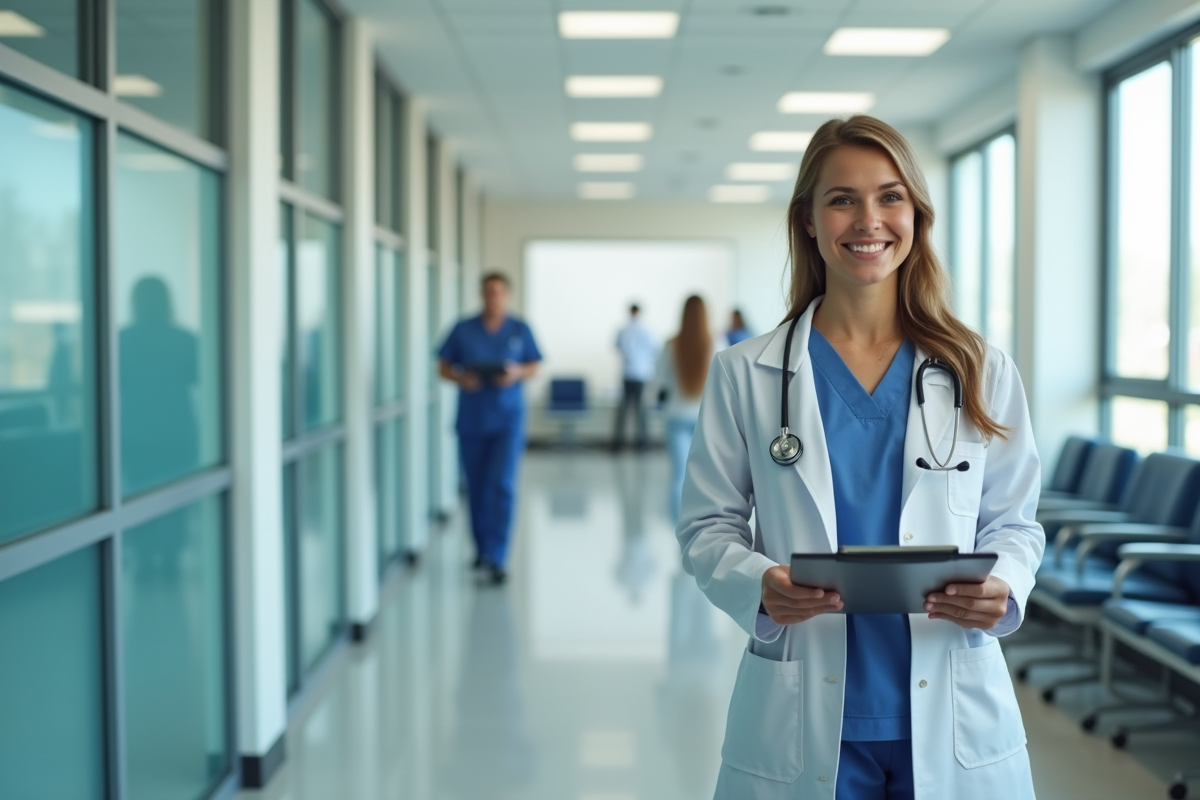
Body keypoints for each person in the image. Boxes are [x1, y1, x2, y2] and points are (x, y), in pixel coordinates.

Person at [676, 115, 1044, 800]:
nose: (868, 219)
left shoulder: (979, 369)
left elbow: (1015, 523)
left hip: (951, 701)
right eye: (842, 198)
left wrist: (1008, 584)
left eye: (890, 196)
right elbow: (707, 527)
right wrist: (758, 582)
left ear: (916, 215)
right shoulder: (746, 373)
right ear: (809, 220)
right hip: (804, 708)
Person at [438, 273, 542, 587]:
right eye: (487, 292)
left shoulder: (520, 329)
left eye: (498, 293)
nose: (492, 298)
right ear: (480, 295)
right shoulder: (463, 329)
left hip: (508, 421)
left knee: (503, 486)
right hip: (472, 420)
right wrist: (461, 379)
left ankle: (498, 557)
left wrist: (515, 374)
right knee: (477, 487)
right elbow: (443, 366)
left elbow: (534, 365)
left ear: (507, 295)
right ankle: (483, 549)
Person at [653, 295, 716, 524]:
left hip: (676, 416)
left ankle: (678, 527)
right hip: (706, 419)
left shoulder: (671, 344)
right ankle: (705, 526)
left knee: (679, 474)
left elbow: (659, 382)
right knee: (707, 476)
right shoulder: (717, 344)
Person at [613, 303, 659, 452]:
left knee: (623, 410)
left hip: (627, 373)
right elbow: (655, 351)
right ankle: (643, 444)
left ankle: (618, 444)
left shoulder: (623, 330)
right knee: (641, 411)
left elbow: (618, 347)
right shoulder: (648, 330)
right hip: (642, 374)